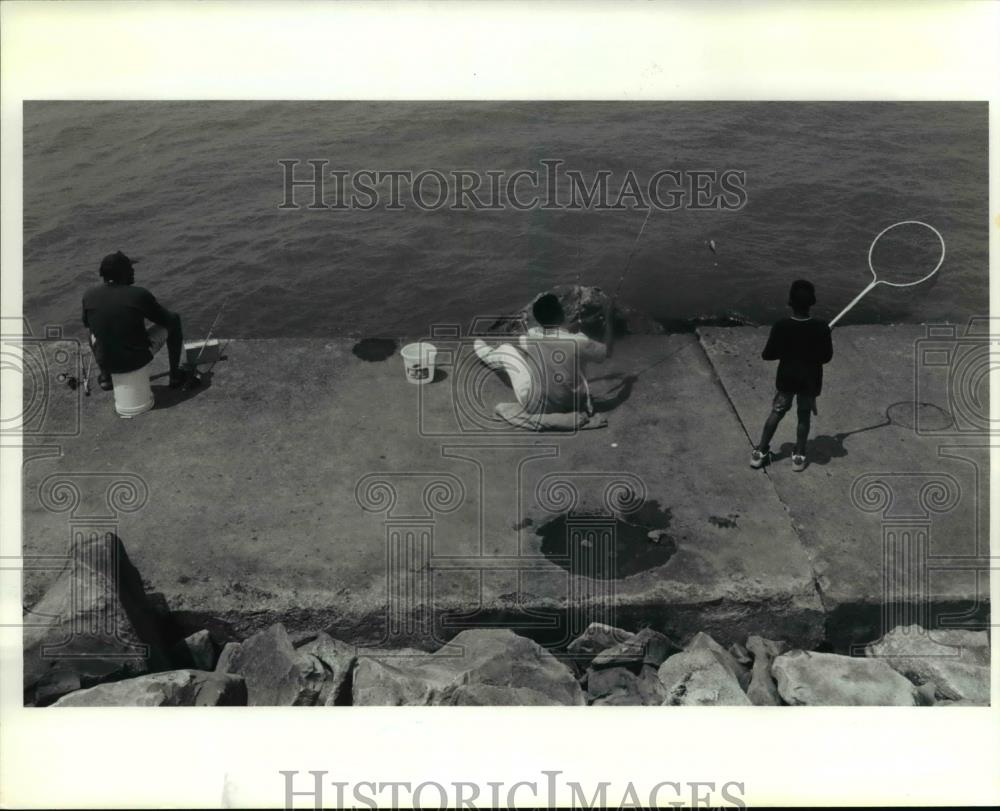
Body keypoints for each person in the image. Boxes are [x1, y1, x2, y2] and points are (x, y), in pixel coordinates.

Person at [474, 293, 609, 429]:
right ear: (561, 314)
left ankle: (480, 348)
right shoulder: (579, 342)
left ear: (538, 320)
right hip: (575, 403)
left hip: (539, 407)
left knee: (506, 350)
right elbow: (606, 352)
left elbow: (538, 337)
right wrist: (609, 320)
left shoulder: (532, 335)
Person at [750, 279, 833, 472]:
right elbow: (826, 357)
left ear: (790, 302)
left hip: (787, 379)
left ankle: (760, 452)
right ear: (812, 302)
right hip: (809, 381)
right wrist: (826, 336)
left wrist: (786, 348)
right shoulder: (821, 328)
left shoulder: (781, 326)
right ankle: (799, 456)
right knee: (803, 416)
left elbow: (767, 355)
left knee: (777, 412)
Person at [82, 251, 195, 391]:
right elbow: (168, 320)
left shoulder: (89, 295)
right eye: (130, 268)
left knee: (91, 332)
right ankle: (175, 376)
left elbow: (89, 325)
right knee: (175, 320)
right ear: (122, 273)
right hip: (136, 360)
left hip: (106, 361)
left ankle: (106, 377)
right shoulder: (138, 294)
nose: (133, 271)